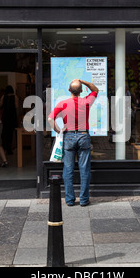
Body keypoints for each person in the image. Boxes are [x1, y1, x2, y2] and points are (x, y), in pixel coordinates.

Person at [48, 79, 99, 207]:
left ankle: (70, 200)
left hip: (69, 136)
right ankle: (83, 200)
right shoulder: (86, 102)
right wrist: (82, 81)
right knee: (84, 170)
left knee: (68, 170)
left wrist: (58, 130)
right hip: (83, 135)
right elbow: (95, 89)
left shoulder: (63, 103)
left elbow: (50, 118)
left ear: (69, 90)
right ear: (81, 91)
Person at [0, 85, 18, 155]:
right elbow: (16, 106)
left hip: (5, 116)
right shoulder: (15, 97)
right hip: (12, 116)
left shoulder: (3, 97)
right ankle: (11, 148)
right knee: (12, 133)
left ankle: (5, 147)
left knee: (5, 132)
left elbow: (0, 105)